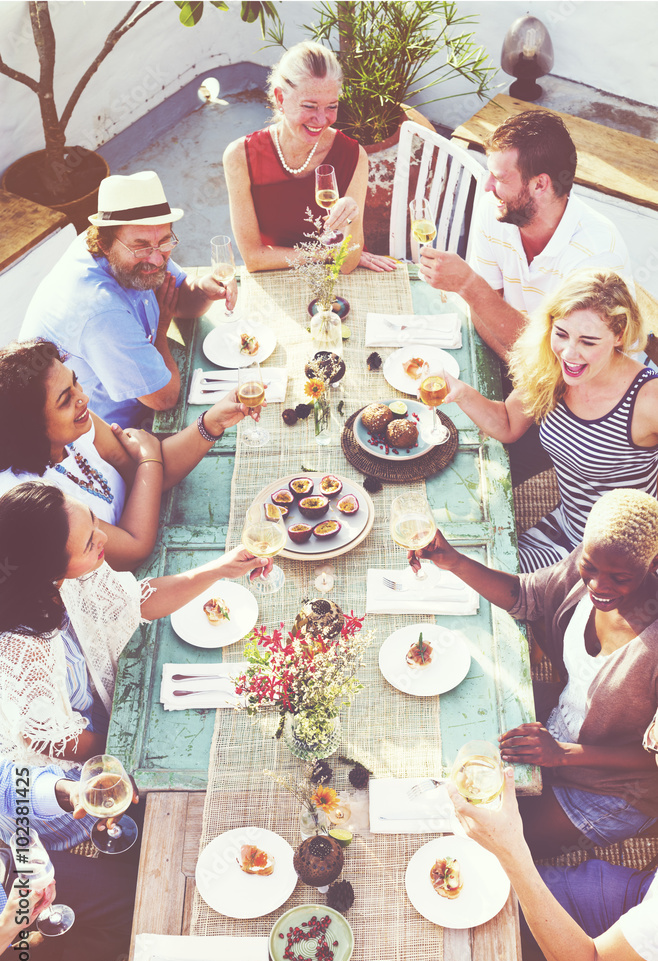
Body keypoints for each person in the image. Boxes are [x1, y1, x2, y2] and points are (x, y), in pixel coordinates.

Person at [0, 481, 273, 850]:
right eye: (88, 542)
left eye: (94, 520)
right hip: (65, 790)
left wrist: (219, 570)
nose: (102, 538)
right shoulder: (19, 646)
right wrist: (124, 763)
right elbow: (49, 739)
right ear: (47, 570)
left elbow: (135, 602)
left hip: (100, 724)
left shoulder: (72, 573)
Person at [409, 488, 658, 859]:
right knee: (443, 759)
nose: (597, 586)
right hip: (559, 728)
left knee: (495, 845)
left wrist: (561, 755)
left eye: (620, 577)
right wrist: (454, 561)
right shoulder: (587, 564)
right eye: (590, 567)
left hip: (616, 787)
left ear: (651, 565)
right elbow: (525, 595)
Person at [443, 269, 658, 572]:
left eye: (588, 342)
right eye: (562, 334)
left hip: (620, 558)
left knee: (496, 583)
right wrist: (460, 391)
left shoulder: (648, 398)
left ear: (619, 336)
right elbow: (506, 423)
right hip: (567, 527)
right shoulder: (550, 365)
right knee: (475, 565)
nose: (570, 353)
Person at [0, 339, 261, 570]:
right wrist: (148, 459)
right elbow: (134, 550)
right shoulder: (33, 499)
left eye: (75, 381)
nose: (83, 398)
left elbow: (152, 476)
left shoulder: (76, 424)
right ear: (30, 428)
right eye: (65, 400)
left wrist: (213, 422)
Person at [19, 170, 237, 427]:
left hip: (143, 398)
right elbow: (164, 397)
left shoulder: (127, 245)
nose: (156, 259)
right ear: (103, 243)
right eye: (142, 246)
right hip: (101, 436)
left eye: (165, 242)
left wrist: (202, 288)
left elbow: (176, 297)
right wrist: (162, 330)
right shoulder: (99, 310)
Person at [419, 109, 634, 358]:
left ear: (539, 185)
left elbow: (562, 359)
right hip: (520, 363)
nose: (488, 187)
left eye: (499, 177)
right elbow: (482, 312)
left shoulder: (595, 256)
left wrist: (469, 285)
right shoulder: (495, 209)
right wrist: (518, 364)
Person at [448, 748, 658, 961]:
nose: (648, 743)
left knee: (514, 903)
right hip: (644, 897)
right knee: (498, 895)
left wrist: (513, 852)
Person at [223, 40, 396, 275]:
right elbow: (253, 258)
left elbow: (346, 264)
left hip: (337, 279)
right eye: (310, 106)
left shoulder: (354, 155)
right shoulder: (240, 157)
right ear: (281, 98)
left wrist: (351, 217)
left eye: (332, 106)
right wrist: (329, 254)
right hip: (279, 277)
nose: (321, 119)